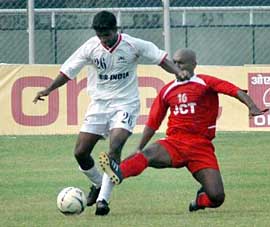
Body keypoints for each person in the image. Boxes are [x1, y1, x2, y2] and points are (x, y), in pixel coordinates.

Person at [33, 11, 188, 216]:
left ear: (116, 30)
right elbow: (68, 71)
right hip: (99, 106)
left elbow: (161, 58)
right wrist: (48, 89)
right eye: (100, 36)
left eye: (106, 35)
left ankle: (103, 201)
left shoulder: (133, 44)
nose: (103, 39)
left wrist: (178, 73)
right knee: (80, 153)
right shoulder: (91, 47)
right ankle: (98, 184)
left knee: (115, 145)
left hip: (125, 104)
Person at [99, 48, 268, 213]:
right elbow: (153, 123)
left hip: (201, 147)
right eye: (175, 63)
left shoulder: (205, 82)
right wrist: (138, 147)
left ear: (194, 64)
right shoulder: (167, 90)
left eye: (182, 63)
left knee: (217, 197)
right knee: (147, 154)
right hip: (174, 143)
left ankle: (199, 200)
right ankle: (118, 172)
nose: (177, 66)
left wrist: (252, 106)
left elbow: (234, 90)